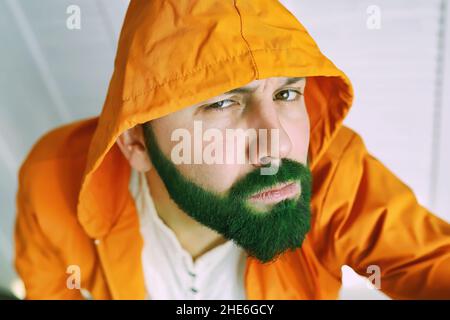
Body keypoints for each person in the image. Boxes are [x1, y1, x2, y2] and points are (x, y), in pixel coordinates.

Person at [14, 0, 450, 299]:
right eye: (223, 103)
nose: (277, 143)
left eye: (286, 95)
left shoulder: (332, 171)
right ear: (135, 143)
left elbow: (432, 264)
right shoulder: (52, 179)